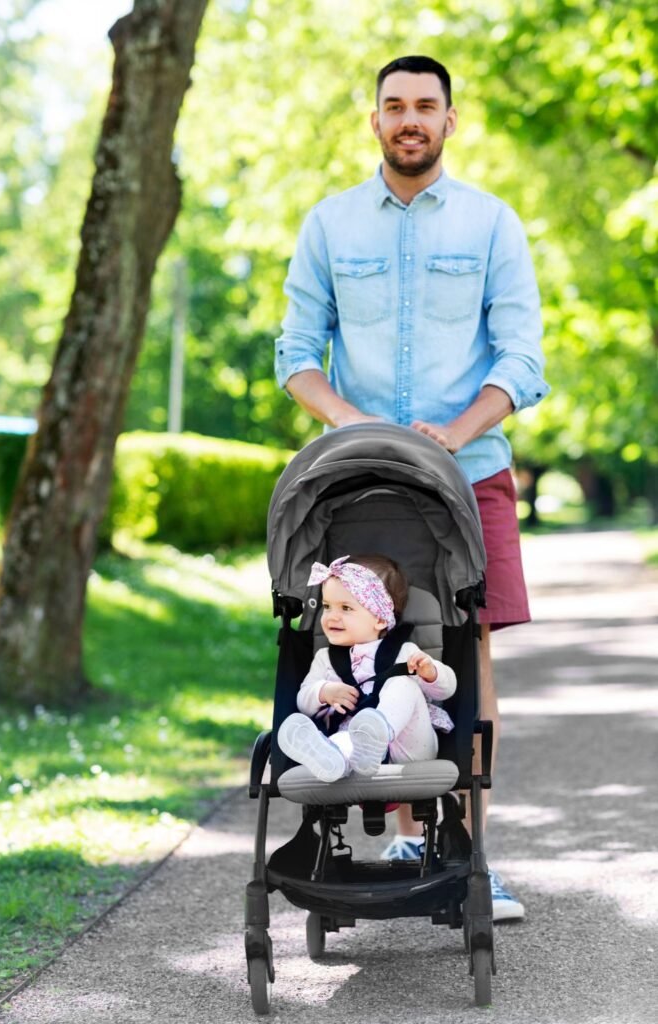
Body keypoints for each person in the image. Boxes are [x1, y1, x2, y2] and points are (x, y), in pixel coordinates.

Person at [274, 55, 550, 921]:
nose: (409, 119)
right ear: (375, 120)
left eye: (425, 106)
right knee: (364, 646)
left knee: (465, 656)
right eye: (394, 105)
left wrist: (457, 431)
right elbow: (294, 357)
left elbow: (523, 359)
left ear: (449, 120)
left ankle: (473, 856)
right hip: (357, 488)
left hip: (470, 477)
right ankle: (394, 833)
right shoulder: (328, 224)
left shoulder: (492, 223)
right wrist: (355, 424)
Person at [278, 554, 456, 782]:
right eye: (326, 606)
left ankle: (379, 730)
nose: (332, 616)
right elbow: (303, 701)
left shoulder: (406, 652)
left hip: (410, 748)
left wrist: (431, 673)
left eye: (345, 608)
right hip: (359, 753)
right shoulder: (326, 659)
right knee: (344, 739)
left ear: (380, 619)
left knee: (405, 684)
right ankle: (332, 759)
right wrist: (323, 692)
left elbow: (446, 690)